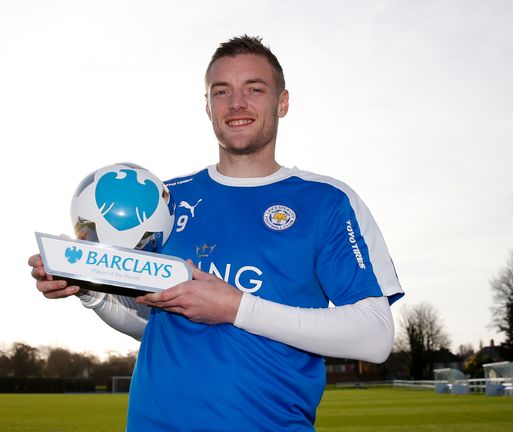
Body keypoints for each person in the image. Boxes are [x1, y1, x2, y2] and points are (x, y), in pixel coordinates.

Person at [29, 35, 404, 431]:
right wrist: (92, 292)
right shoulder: (166, 202)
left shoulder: (327, 201)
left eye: (254, 89)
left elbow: (375, 337)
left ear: (282, 102)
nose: (236, 103)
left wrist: (238, 308)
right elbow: (156, 325)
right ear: (207, 106)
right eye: (221, 91)